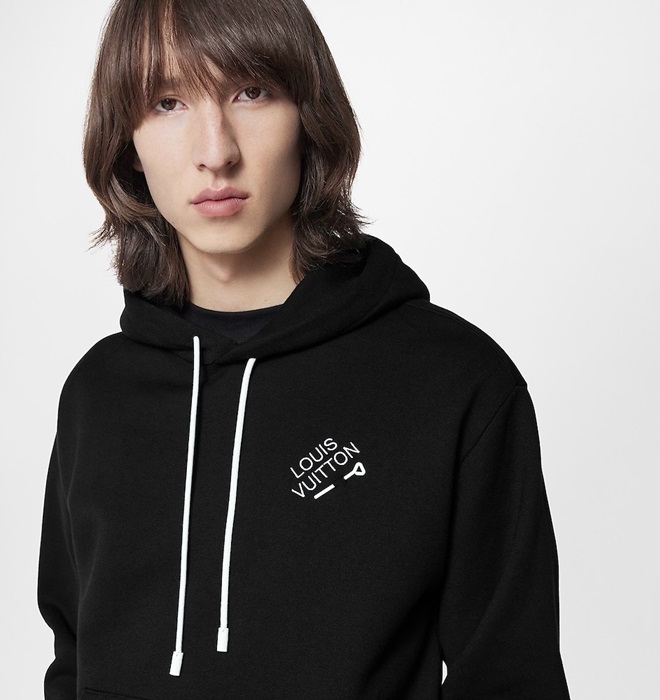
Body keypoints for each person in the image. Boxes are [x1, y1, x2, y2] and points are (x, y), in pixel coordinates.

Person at [38, 0, 570, 698]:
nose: (215, 151)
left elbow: (512, 678)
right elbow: (74, 664)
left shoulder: (453, 382)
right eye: (167, 102)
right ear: (126, 142)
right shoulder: (98, 395)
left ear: (309, 117)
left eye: (251, 92)